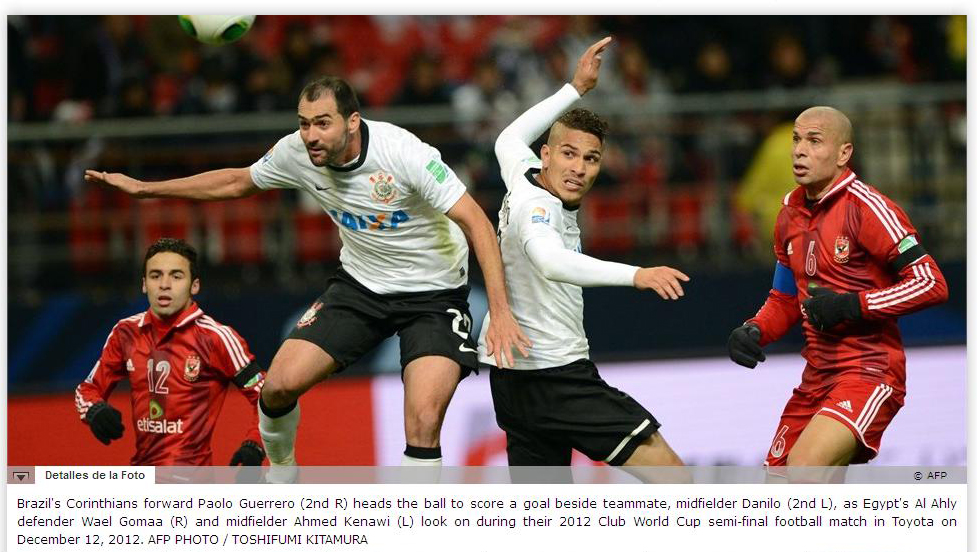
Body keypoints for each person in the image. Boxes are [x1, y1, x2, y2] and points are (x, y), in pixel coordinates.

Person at [85, 76, 529, 480]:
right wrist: (145, 190)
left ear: (352, 122)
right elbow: (237, 181)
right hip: (361, 286)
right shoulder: (298, 152)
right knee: (277, 388)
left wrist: (501, 312)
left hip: (434, 295)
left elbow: (477, 222)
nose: (311, 135)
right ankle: (284, 474)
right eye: (303, 123)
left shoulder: (404, 154)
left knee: (423, 419)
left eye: (322, 123)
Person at [477, 37, 688, 470]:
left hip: (514, 378)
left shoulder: (522, 173)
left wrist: (575, 88)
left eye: (591, 159)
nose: (578, 168)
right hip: (556, 375)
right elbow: (551, 261)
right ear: (547, 154)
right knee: (671, 475)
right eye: (568, 154)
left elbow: (507, 137)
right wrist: (637, 275)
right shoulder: (539, 207)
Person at [726, 106, 949, 470]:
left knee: (804, 468)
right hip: (816, 377)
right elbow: (784, 298)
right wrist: (755, 329)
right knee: (779, 494)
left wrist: (851, 306)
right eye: (797, 139)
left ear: (844, 153)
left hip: (869, 369)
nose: (799, 150)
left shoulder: (869, 208)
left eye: (814, 141)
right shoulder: (788, 216)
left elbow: (931, 283)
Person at [75, 238, 266, 466]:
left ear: (194, 286)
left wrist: (256, 443)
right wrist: (94, 410)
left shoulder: (217, 338)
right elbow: (87, 390)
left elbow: (267, 398)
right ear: (144, 284)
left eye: (176, 276)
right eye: (156, 276)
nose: (164, 284)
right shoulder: (125, 332)